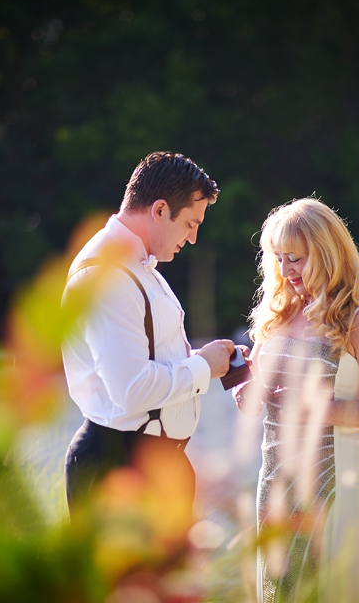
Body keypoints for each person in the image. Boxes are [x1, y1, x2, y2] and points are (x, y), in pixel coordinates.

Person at [233, 198, 359, 603]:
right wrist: (248, 392)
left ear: (325, 254)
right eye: (277, 259)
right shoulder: (277, 315)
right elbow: (260, 391)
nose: (285, 271)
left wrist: (317, 409)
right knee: (279, 591)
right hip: (275, 478)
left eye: (295, 258)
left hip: (339, 477)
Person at [61, 151, 237, 527]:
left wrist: (205, 358)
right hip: (118, 473)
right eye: (190, 223)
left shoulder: (139, 266)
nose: (192, 238)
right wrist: (203, 367)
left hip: (151, 467)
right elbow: (132, 389)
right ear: (159, 210)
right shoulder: (106, 274)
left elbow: (152, 358)